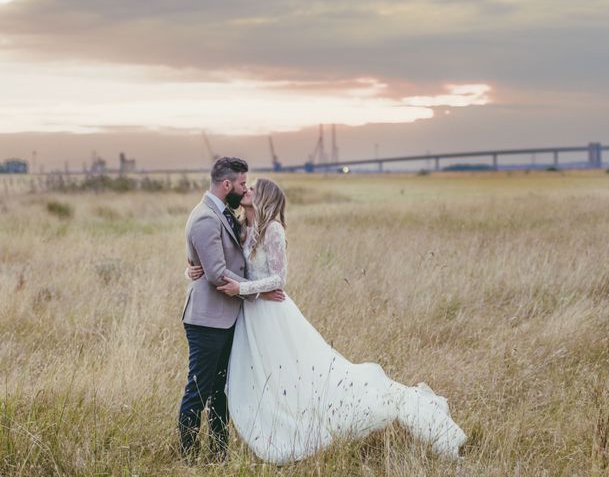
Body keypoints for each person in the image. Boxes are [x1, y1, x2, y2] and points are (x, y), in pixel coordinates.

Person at [186, 177, 467, 464]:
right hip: (251, 316)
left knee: (299, 373)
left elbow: (279, 279)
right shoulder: (245, 228)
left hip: (272, 314)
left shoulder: (273, 230)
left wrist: (243, 289)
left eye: (253, 188)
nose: (246, 190)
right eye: (246, 186)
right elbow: (224, 264)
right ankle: (270, 425)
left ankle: (309, 423)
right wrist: (194, 270)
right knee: (262, 378)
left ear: (266, 198)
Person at [178, 158, 284, 460]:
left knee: (220, 390)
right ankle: (188, 457)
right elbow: (215, 273)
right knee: (198, 390)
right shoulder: (205, 218)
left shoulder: (225, 213)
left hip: (227, 318)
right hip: (207, 320)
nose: (244, 188)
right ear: (227, 185)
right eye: (241, 184)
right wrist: (257, 292)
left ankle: (219, 453)